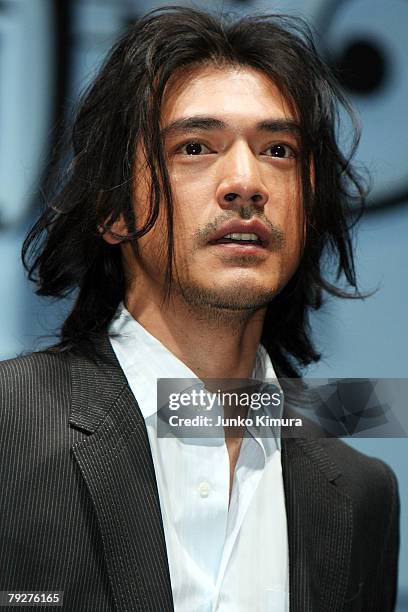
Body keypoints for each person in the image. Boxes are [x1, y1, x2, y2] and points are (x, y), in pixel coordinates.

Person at [0, 6, 399, 611]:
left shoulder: (363, 495)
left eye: (279, 150)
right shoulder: (12, 427)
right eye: (194, 146)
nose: (246, 181)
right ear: (113, 209)